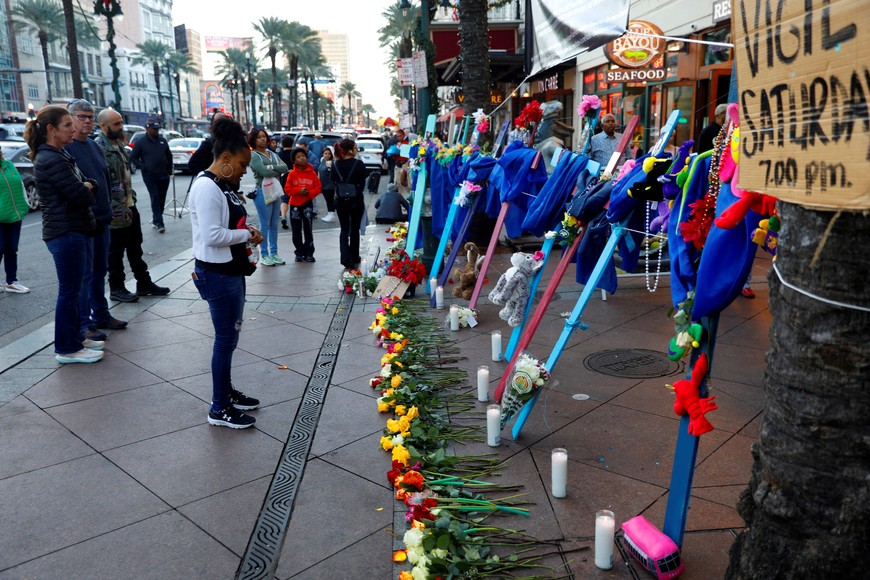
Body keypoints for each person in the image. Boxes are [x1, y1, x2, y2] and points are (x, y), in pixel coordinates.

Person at [188, 116, 263, 429]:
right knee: (224, 338)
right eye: (244, 164)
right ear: (227, 158)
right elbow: (212, 236)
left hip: (229, 271)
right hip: (216, 274)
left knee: (230, 337)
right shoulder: (207, 187)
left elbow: (228, 226)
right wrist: (246, 235)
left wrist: (247, 230)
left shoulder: (223, 185)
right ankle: (219, 408)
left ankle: (225, 391)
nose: (245, 171)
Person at [25, 105, 103, 363]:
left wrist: (88, 185)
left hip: (72, 229)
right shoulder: (51, 158)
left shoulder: (59, 154)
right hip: (65, 231)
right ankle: (67, 348)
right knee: (69, 292)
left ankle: (74, 340)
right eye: (67, 125)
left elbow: (89, 182)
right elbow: (81, 194)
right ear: (51, 130)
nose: (73, 129)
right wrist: (88, 186)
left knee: (73, 289)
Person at [65, 99, 127, 338]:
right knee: (85, 275)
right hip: (83, 222)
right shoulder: (66, 148)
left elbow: (107, 180)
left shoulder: (93, 146)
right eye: (82, 116)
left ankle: (101, 314)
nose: (88, 121)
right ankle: (84, 322)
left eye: (90, 117)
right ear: (70, 119)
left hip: (103, 218)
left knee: (100, 270)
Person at [96, 109, 170, 303]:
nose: (121, 127)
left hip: (129, 204)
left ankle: (143, 283)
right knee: (116, 251)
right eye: (116, 124)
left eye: (121, 122)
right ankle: (117, 287)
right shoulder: (99, 147)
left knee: (135, 246)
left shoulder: (119, 144)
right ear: (103, 126)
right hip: (114, 208)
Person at [248, 128, 288, 266]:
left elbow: (285, 167)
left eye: (264, 136)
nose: (263, 139)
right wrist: (274, 168)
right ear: (254, 140)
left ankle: (274, 253)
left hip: (275, 190)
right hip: (262, 192)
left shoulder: (272, 153)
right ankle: (264, 254)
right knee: (264, 224)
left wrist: (271, 168)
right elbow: (263, 171)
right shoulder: (254, 155)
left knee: (274, 224)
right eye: (259, 137)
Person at [129, 119, 172, 233]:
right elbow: (133, 157)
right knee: (155, 197)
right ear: (147, 129)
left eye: (157, 129)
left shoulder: (162, 141)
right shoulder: (141, 142)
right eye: (154, 129)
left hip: (163, 175)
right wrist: (143, 166)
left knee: (161, 199)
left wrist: (169, 170)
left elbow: (169, 155)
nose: (156, 131)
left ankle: (155, 219)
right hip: (150, 176)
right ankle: (160, 223)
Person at [331, 138, 367, 269]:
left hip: (340, 200)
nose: (357, 149)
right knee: (355, 228)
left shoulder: (335, 164)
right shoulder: (358, 164)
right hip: (356, 199)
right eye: (355, 147)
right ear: (350, 150)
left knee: (344, 228)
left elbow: (333, 181)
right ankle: (354, 255)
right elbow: (363, 183)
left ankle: (344, 257)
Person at [284, 146, 321, 262]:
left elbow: (318, 187)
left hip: (307, 204)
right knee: (296, 230)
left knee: (308, 229)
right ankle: (299, 252)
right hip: (295, 204)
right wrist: (298, 191)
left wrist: (309, 193)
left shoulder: (312, 173)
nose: (302, 158)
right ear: (294, 161)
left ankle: (309, 253)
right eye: (298, 157)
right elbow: (287, 189)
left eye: (303, 156)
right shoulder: (292, 174)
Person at [0, 147, 30, 293]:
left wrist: (25, 204)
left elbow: (20, 185)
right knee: (0, 249)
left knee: (11, 249)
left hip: (14, 214)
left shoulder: (9, 165)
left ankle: (11, 281)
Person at [277, 134, 295, 230]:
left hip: (284, 179)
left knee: (284, 200)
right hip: (295, 178)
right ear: (292, 143)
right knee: (294, 198)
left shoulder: (279, 155)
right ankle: (294, 217)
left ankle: (283, 216)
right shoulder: (295, 153)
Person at [318, 147, 336, 223]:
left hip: (330, 184)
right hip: (323, 183)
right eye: (325, 153)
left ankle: (332, 214)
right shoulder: (322, 160)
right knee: (327, 200)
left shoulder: (332, 162)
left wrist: (330, 168)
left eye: (329, 154)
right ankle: (329, 213)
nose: (327, 155)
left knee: (330, 200)